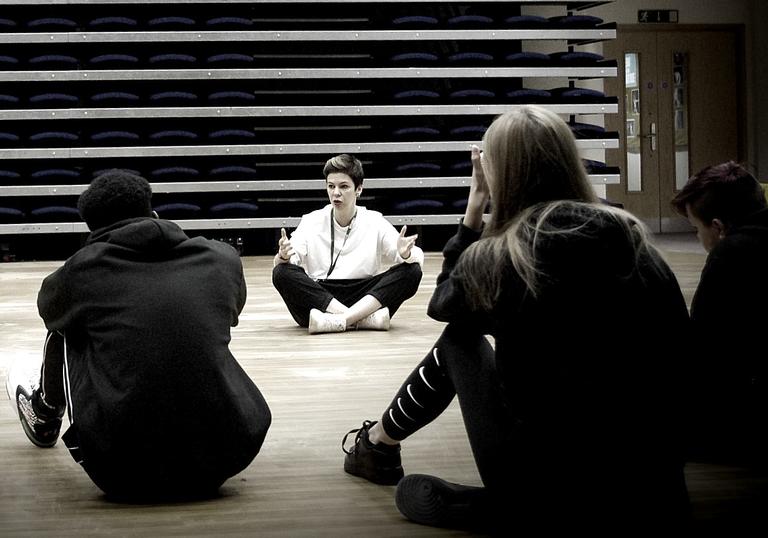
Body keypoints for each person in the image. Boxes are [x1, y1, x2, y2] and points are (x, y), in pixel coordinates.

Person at [341, 106, 691, 532]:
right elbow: (680, 355)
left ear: (498, 174)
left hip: (542, 472)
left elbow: (443, 306)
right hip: (653, 480)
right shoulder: (633, 239)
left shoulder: (504, 255)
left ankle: (379, 445)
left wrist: (473, 212)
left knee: (459, 337)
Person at [5, 169, 271, 501]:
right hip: (227, 455)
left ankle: (44, 414)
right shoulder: (222, 259)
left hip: (120, 471)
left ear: (94, 231)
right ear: (154, 212)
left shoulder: (80, 272)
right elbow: (230, 314)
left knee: (66, 328)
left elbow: (50, 311)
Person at [671, 161, 768, 464]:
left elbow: (703, 345)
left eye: (695, 229)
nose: (698, 238)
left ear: (717, 227)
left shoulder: (730, 255)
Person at [272, 154, 423, 334]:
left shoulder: (374, 220)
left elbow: (418, 258)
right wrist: (283, 256)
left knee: (412, 271)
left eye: (343, 186)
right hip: (320, 295)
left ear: (359, 189)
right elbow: (286, 263)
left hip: (365, 296)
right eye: (331, 186)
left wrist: (406, 254)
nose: (336, 193)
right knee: (281, 273)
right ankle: (362, 320)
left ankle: (340, 320)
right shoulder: (311, 220)